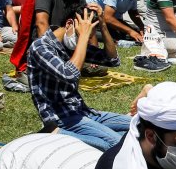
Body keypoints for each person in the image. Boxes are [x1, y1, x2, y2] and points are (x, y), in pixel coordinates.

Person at [23, 10, 133, 148]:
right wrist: (82, 38)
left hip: (84, 112)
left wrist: (103, 25)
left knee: (137, 126)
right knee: (115, 144)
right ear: (69, 24)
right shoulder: (41, 47)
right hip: (62, 118)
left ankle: (65, 136)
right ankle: (54, 133)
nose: (86, 39)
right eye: (84, 33)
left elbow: (112, 60)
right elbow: (70, 74)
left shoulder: (71, 44)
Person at [86, 0, 151, 62]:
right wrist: (130, 31)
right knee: (116, 37)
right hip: (93, 18)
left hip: (112, 18)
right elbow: (107, 18)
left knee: (133, 34)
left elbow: (132, 12)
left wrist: (141, 27)